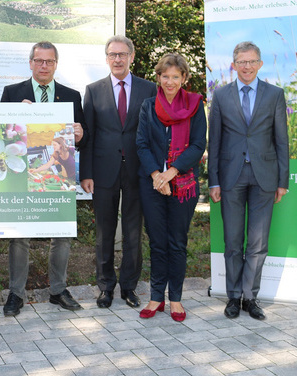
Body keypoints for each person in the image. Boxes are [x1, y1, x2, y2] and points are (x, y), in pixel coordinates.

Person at [0, 41, 87, 316]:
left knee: (61, 234)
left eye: (49, 61)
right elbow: (3, 135)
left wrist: (81, 135)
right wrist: (16, 117)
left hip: (58, 176)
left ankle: (58, 290)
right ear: (30, 63)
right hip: (23, 175)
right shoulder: (13, 93)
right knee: (20, 235)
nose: (44, 66)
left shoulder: (71, 96)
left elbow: (81, 141)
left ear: (56, 64)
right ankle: (16, 294)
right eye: (39, 61)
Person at [208, 41, 289, 321]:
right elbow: (214, 141)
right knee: (232, 242)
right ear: (234, 65)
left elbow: (281, 139)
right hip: (231, 178)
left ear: (260, 64)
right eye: (242, 62)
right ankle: (233, 297)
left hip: (264, 178)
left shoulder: (275, 95)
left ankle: (250, 297)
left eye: (252, 61)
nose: (247, 66)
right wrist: (213, 181)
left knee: (257, 243)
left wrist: (282, 181)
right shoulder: (220, 96)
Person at [79, 35, 157, 309]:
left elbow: (154, 133)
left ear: (132, 57)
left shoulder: (149, 89)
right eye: (112, 54)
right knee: (104, 231)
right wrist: (85, 173)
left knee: (134, 231)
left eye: (123, 54)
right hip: (103, 170)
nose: (117, 59)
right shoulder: (94, 90)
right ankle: (105, 287)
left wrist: (155, 171)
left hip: (138, 170)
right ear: (107, 58)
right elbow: (87, 134)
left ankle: (129, 287)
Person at [136, 53, 206, 322]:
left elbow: (199, 145)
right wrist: (157, 175)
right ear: (158, 77)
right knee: (157, 242)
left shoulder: (195, 105)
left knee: (177, 243)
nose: (170, 81)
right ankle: (156, 298)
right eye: (165, 76)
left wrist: (171, 173)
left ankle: (175, 299)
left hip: (184, 184)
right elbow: (141, 144)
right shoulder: (148, 106)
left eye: (175, 76)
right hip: (152, 183)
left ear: (184, 78)